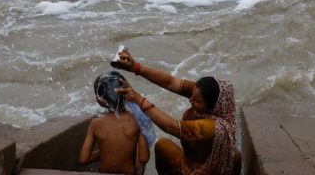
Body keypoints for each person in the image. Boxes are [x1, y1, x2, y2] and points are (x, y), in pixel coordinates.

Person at [112, 48, 241, 175]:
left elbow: (172, 127)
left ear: (213, 108)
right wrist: (136, 67)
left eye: (197, 101)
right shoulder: (208, 97)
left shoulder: (211, 128)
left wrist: (138, 99)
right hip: (202, 160)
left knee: (162, 145)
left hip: (199, 170)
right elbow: (170, 82)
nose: (191, 100)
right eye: (192, 95)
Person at [79, 71, 152, 175]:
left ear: (100, 99)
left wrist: (104, 152)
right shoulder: (137, 121)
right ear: (126, 94)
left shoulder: (95, 124)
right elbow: (144, 158)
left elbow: (83, 159)